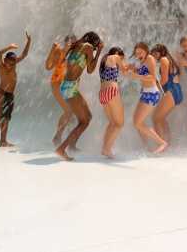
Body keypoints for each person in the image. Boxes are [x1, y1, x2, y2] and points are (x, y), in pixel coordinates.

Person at [55, 32, 104, 161]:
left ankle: (71, 145)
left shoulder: (78, 47)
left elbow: (86, 69)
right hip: (70, 88)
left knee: (85, 117)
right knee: (85, 120)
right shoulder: (87, 46)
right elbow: (91, 69)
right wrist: (99, 51)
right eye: (96, 44)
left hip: (68, 87)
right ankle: (62, 148)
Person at [0, 32, 31, 148]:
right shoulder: (1, 66)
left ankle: (3, 141)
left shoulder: (14, 64)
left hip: (10, 95)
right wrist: (9, 47)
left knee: (6, 119)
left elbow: (24, 54)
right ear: (5, 60)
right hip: (1, 94)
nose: (11, 63)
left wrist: (29, 41)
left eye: (13, 61)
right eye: (9, 61)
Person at [127, 42, 168, 154]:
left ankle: (162, 143)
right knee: (136, 122)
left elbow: (152, 77)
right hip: (145, 93)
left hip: (152, 94)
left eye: (140, 52)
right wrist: (133, 69)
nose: (138, 54)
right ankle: (148, 147)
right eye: (136, 53)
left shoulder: (150, 58)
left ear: (146, 50)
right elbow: (142, 73)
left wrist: (136, 75)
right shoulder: (142, 61)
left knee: (138, 122)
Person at [45, 35, 76, 146]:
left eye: (73, 42)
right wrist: (51, 50)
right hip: (56, 84)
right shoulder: (59, 52)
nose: (70, 44)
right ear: (65, 42)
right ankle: (57, 137)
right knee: (69, 111)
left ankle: (65, 139)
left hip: (66, 85)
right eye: (69, 42)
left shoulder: (73, 56)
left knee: (71, 113)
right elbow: (48, 66)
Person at [99, 47, 128, 158]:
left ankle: (104, 148)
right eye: (122, 57)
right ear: (117, 53)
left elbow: (121, 69)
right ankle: (107, 149)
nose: (122, 59)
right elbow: (124, 70)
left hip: (102, 93)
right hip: (111, 91)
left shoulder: (104, 60)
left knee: (112, 123)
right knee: (119, 124)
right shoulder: (114, 57)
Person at [151, 44, 183, 145]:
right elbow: (176, 75)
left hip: (170, 91)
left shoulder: (164, 60)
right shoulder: (169, 59)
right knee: (161, 118)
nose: (155, 56)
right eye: (153, 54)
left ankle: (161, 145)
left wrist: (154, 85)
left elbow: (164, 80)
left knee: (155, 118)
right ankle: (168, 142)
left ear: (162, 52)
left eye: (156, 53)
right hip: (175, 90)